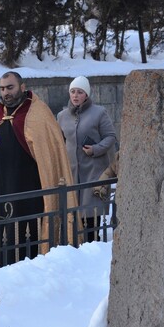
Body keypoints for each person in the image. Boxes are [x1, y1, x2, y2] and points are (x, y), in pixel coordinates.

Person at [0, 72, 76, 265]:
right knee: (6, 236)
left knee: (28, 238)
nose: (5, 93)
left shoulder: (38, 113)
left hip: (30, 187)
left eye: (10, 87)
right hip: (2, 186)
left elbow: (51, 150)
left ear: (22, 87)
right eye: (2, 89)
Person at [57, 76, 117, 241]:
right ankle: (77, 247)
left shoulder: (99, 113)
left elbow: (111, 137)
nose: (75, 95)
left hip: (93, 171)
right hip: (71, 172)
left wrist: (96, 149)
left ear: (87, 94)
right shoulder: (62, 116)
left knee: (91, 213)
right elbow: (59, 141)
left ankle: (92, 245)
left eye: (80, 92)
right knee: (74, 213)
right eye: (73, 92)